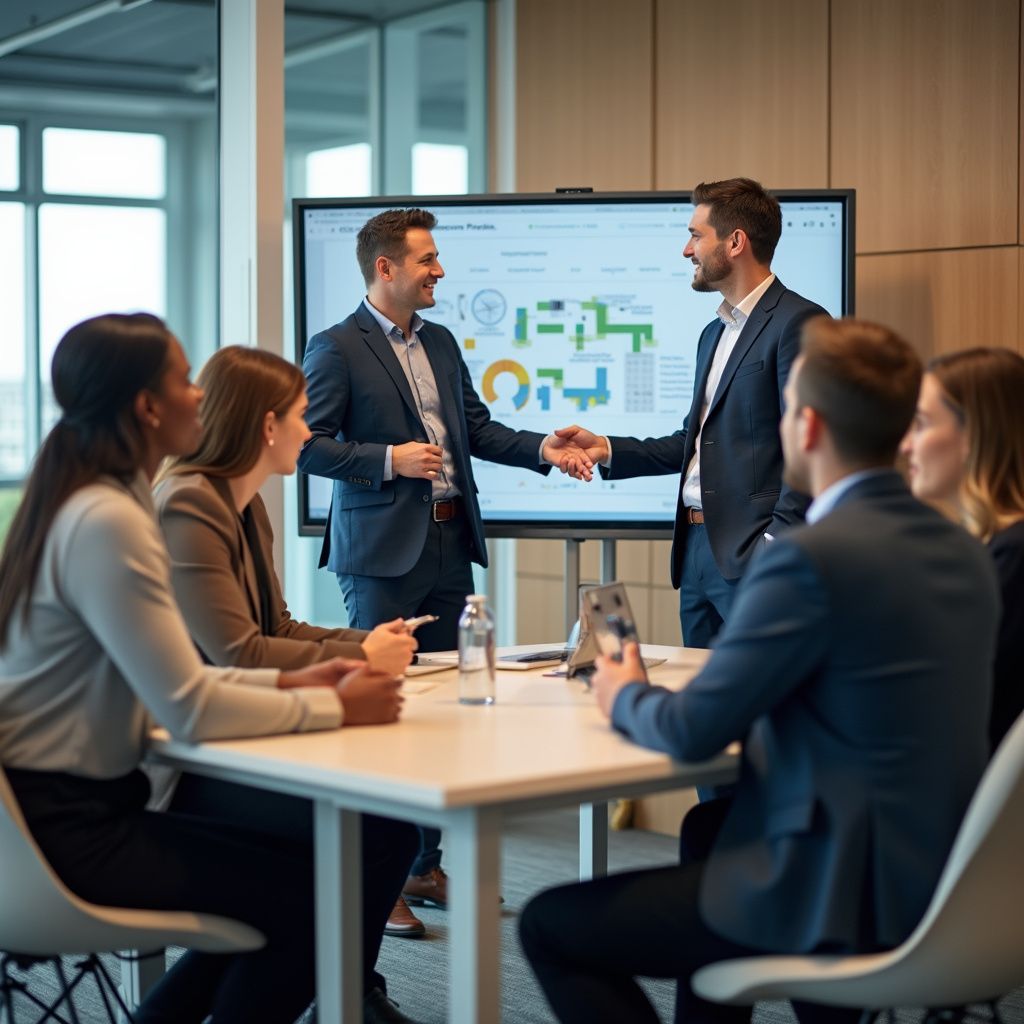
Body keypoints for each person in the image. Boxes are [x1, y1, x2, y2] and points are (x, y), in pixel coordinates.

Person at [519, 317, 999, 1024]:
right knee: (706, 836)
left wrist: (624, 693)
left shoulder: (808, 557)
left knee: (550, 926)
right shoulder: (965, 551)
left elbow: (691, 732)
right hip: (939, 875)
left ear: (804, 428)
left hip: (828, 884)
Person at [0, 313, 408, 1024]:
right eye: (184, 379)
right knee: (312, 898)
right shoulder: (111, 518)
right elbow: (186, 702)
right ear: (146, 406)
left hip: (58, 812)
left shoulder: (85, 500)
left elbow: (182, 676)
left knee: (307, 887)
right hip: (69, 828)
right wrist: (336, 705)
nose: (200, 394)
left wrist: (295, 682)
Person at [298, 207, 587, 923]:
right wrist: (385, 460)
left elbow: (476, 428)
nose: (440, 271)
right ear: (386, 268)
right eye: (427, 259)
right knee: (385, 716)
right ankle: (378, 883)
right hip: (381, 556)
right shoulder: (336, 347)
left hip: (450, 543)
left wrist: (542, 450)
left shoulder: (445, 342)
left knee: (446, 717)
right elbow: (306, 444)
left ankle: (425, 868)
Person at [151, 349, 428, 1002]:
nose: (311, 432)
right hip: (181, 763)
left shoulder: (242, 502)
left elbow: (278, 627)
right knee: (375, 834)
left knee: (360, 841)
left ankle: (347, 990)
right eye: (304, 418)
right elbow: (237, 654)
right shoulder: (188, 504)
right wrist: (362, 661)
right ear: (266, 425)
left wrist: (371, 641)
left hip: (233, 739)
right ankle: (347, 992)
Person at [556, 177, 826, 648]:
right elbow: (696, 441)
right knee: (705, 699)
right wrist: (607, 449)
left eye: (696, 235)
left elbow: (811, 449)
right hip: (697, 553)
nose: (687, 250)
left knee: (758, 706)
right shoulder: (712, 333)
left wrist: (774, 547)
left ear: (736, 241)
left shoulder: (798, 323)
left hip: (753, 553)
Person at [900, 346, 1024, 752]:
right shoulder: (995, 553)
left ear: (974, 435)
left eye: (920, 425)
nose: (906, 446)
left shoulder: (1011, 561)